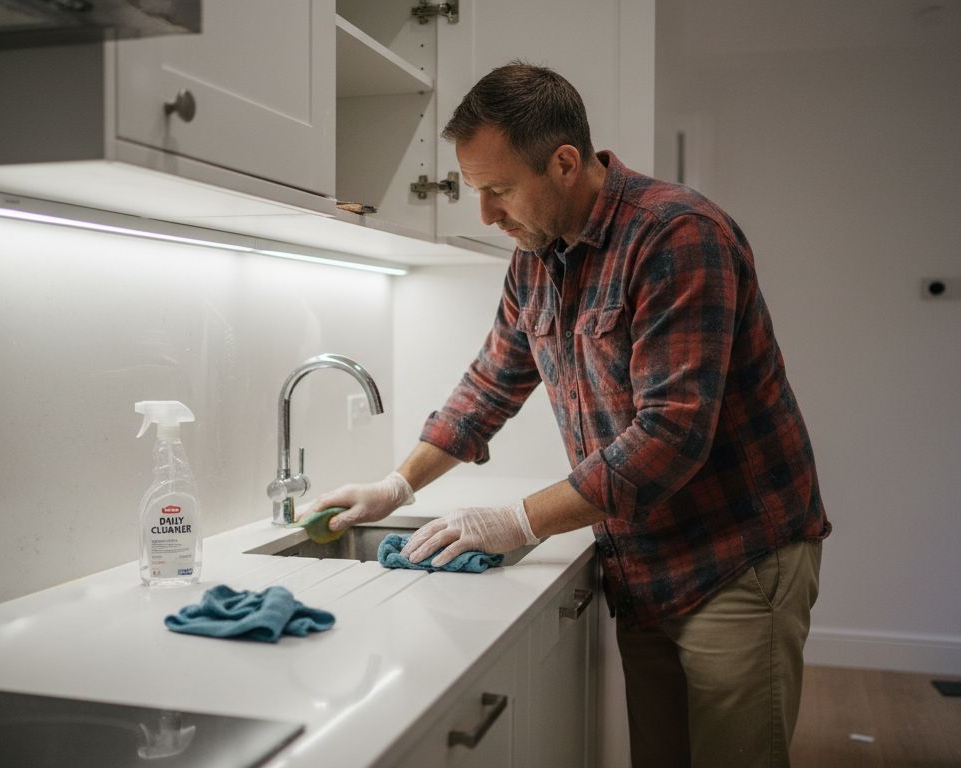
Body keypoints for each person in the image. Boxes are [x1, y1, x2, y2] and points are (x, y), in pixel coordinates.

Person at [301, 62, 831, 768]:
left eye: (498, 190)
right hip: (641, 560)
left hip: (734, 557)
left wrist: (517, 520)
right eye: (475, 192)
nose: (486, 215)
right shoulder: (534, 258)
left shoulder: (677, 237)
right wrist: (396, 486)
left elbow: (670, 437)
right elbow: (488, 387)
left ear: (564, 162)